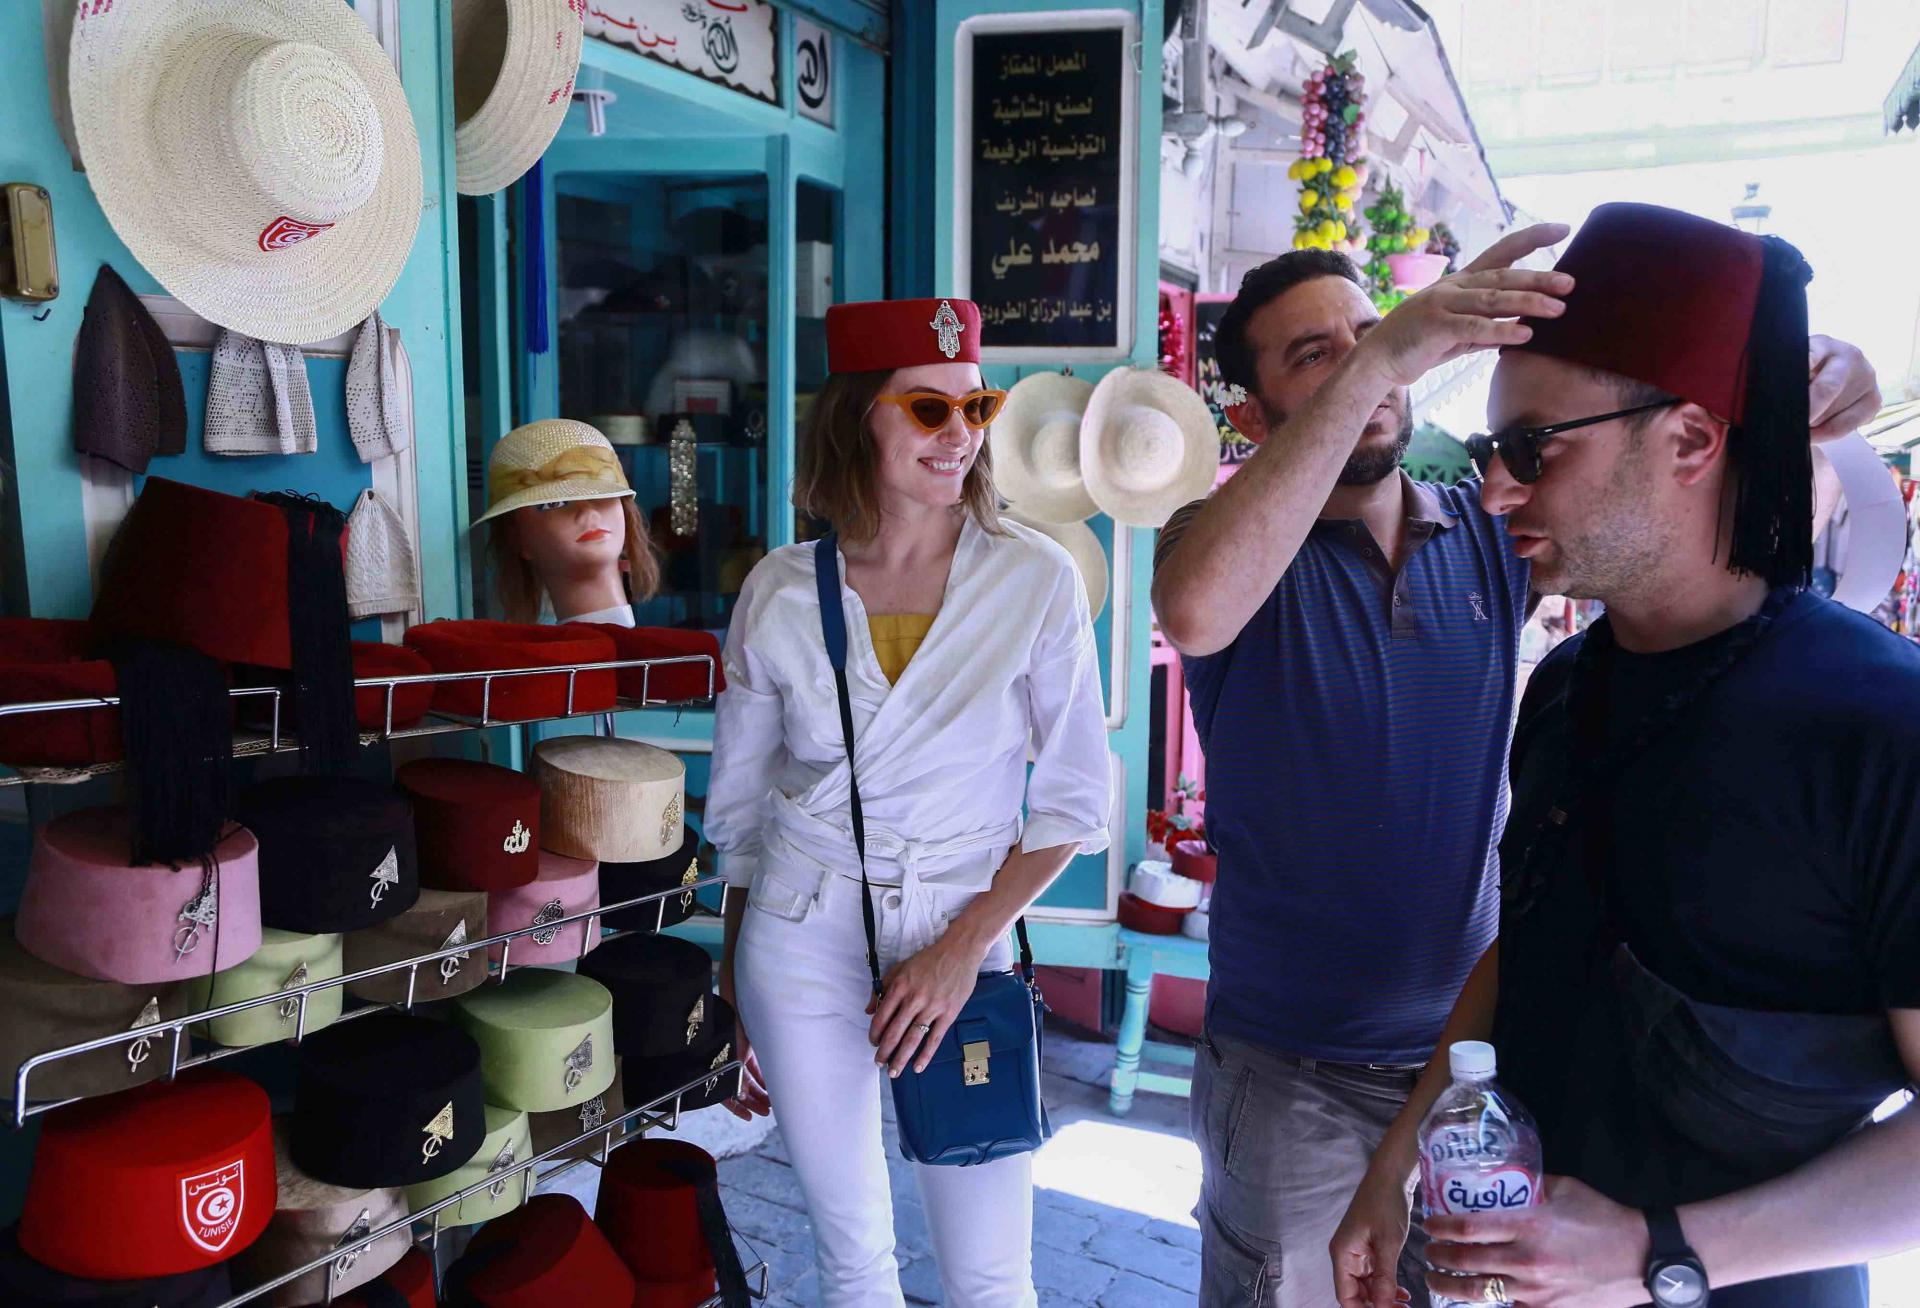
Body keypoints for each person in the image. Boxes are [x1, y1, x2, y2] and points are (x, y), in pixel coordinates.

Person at [1150, 230, 1881, 1308]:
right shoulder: (1228, 546)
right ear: (1253, 416)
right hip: (1291, 1071)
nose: (1370, 362)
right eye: (1318, 355)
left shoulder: (1486, 535)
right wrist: (1384, 357)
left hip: (1475, 1068)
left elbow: (1638, 487)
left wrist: (1790, 374)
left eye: (1368, 331)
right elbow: (1196, 608)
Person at [1334, 203, 1920, 1308]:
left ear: (1693, 438)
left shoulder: (1880, 729)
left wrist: (1659, 1252)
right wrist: (1399, 1163)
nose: (1495, 488)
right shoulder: (1568, 685)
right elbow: (1538, 944)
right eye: (1485, 452)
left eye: (1530, 448)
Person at [705, 297, 1111, 1308]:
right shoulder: (782, 590)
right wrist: (734, 981)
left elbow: (1070, 802)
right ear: (858, 420)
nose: (963, 435)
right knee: (852, 1258)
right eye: (928, 411)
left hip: (958, 923)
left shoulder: (1034, 578)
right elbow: (745, 813)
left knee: (989, 1270)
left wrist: (961, 947)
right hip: (800, 931)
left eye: (976, 406)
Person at [474, 418, 660, 624]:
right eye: (554, 503)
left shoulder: (683, 649)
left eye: (600, 494)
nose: (587, 513)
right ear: (518, 538)